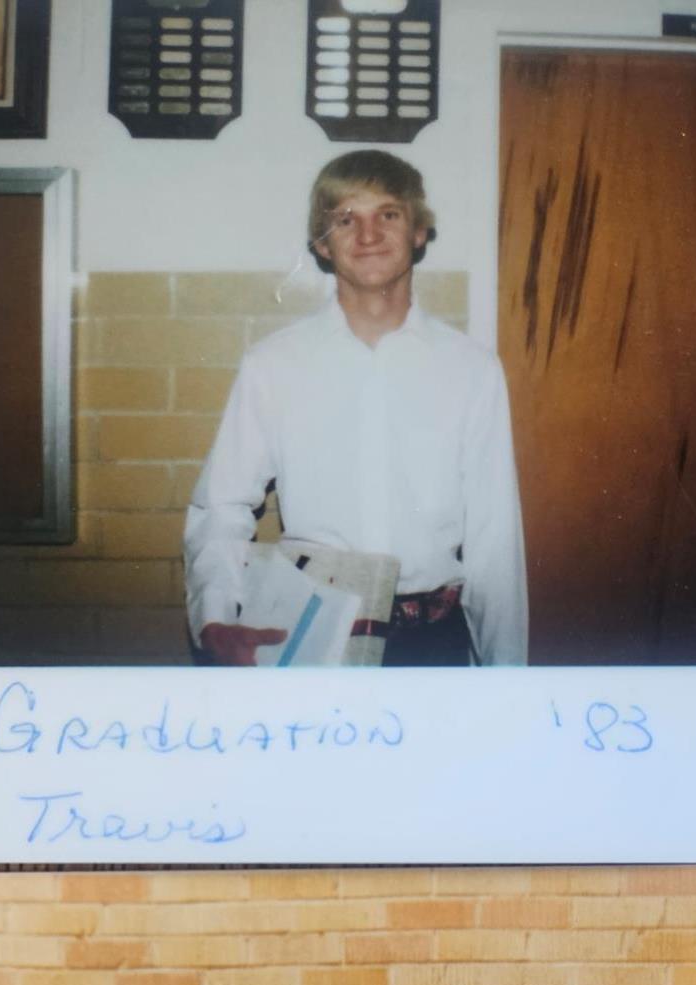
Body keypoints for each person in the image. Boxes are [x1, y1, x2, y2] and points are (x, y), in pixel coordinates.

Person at [184, 149, 527, 667]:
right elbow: (221, 504)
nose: (368, 235)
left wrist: (507, 675)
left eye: (388, 214)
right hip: (311, 634)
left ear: (419, 231)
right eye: (346, 219)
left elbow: (494, 538)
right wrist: (215, 618)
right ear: (322, 244)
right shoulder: (273, 365)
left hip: (432, 642)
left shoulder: (472, 369)